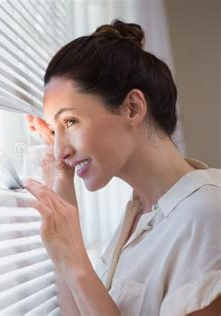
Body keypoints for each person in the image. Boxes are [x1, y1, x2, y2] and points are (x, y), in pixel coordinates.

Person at [24, 19, 220, 315]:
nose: (59, 149)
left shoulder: (206, 215)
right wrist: (61, 186)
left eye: (70, 121)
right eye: (54, 129)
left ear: (133, 108)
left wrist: (77, 260)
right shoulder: (138, 217)